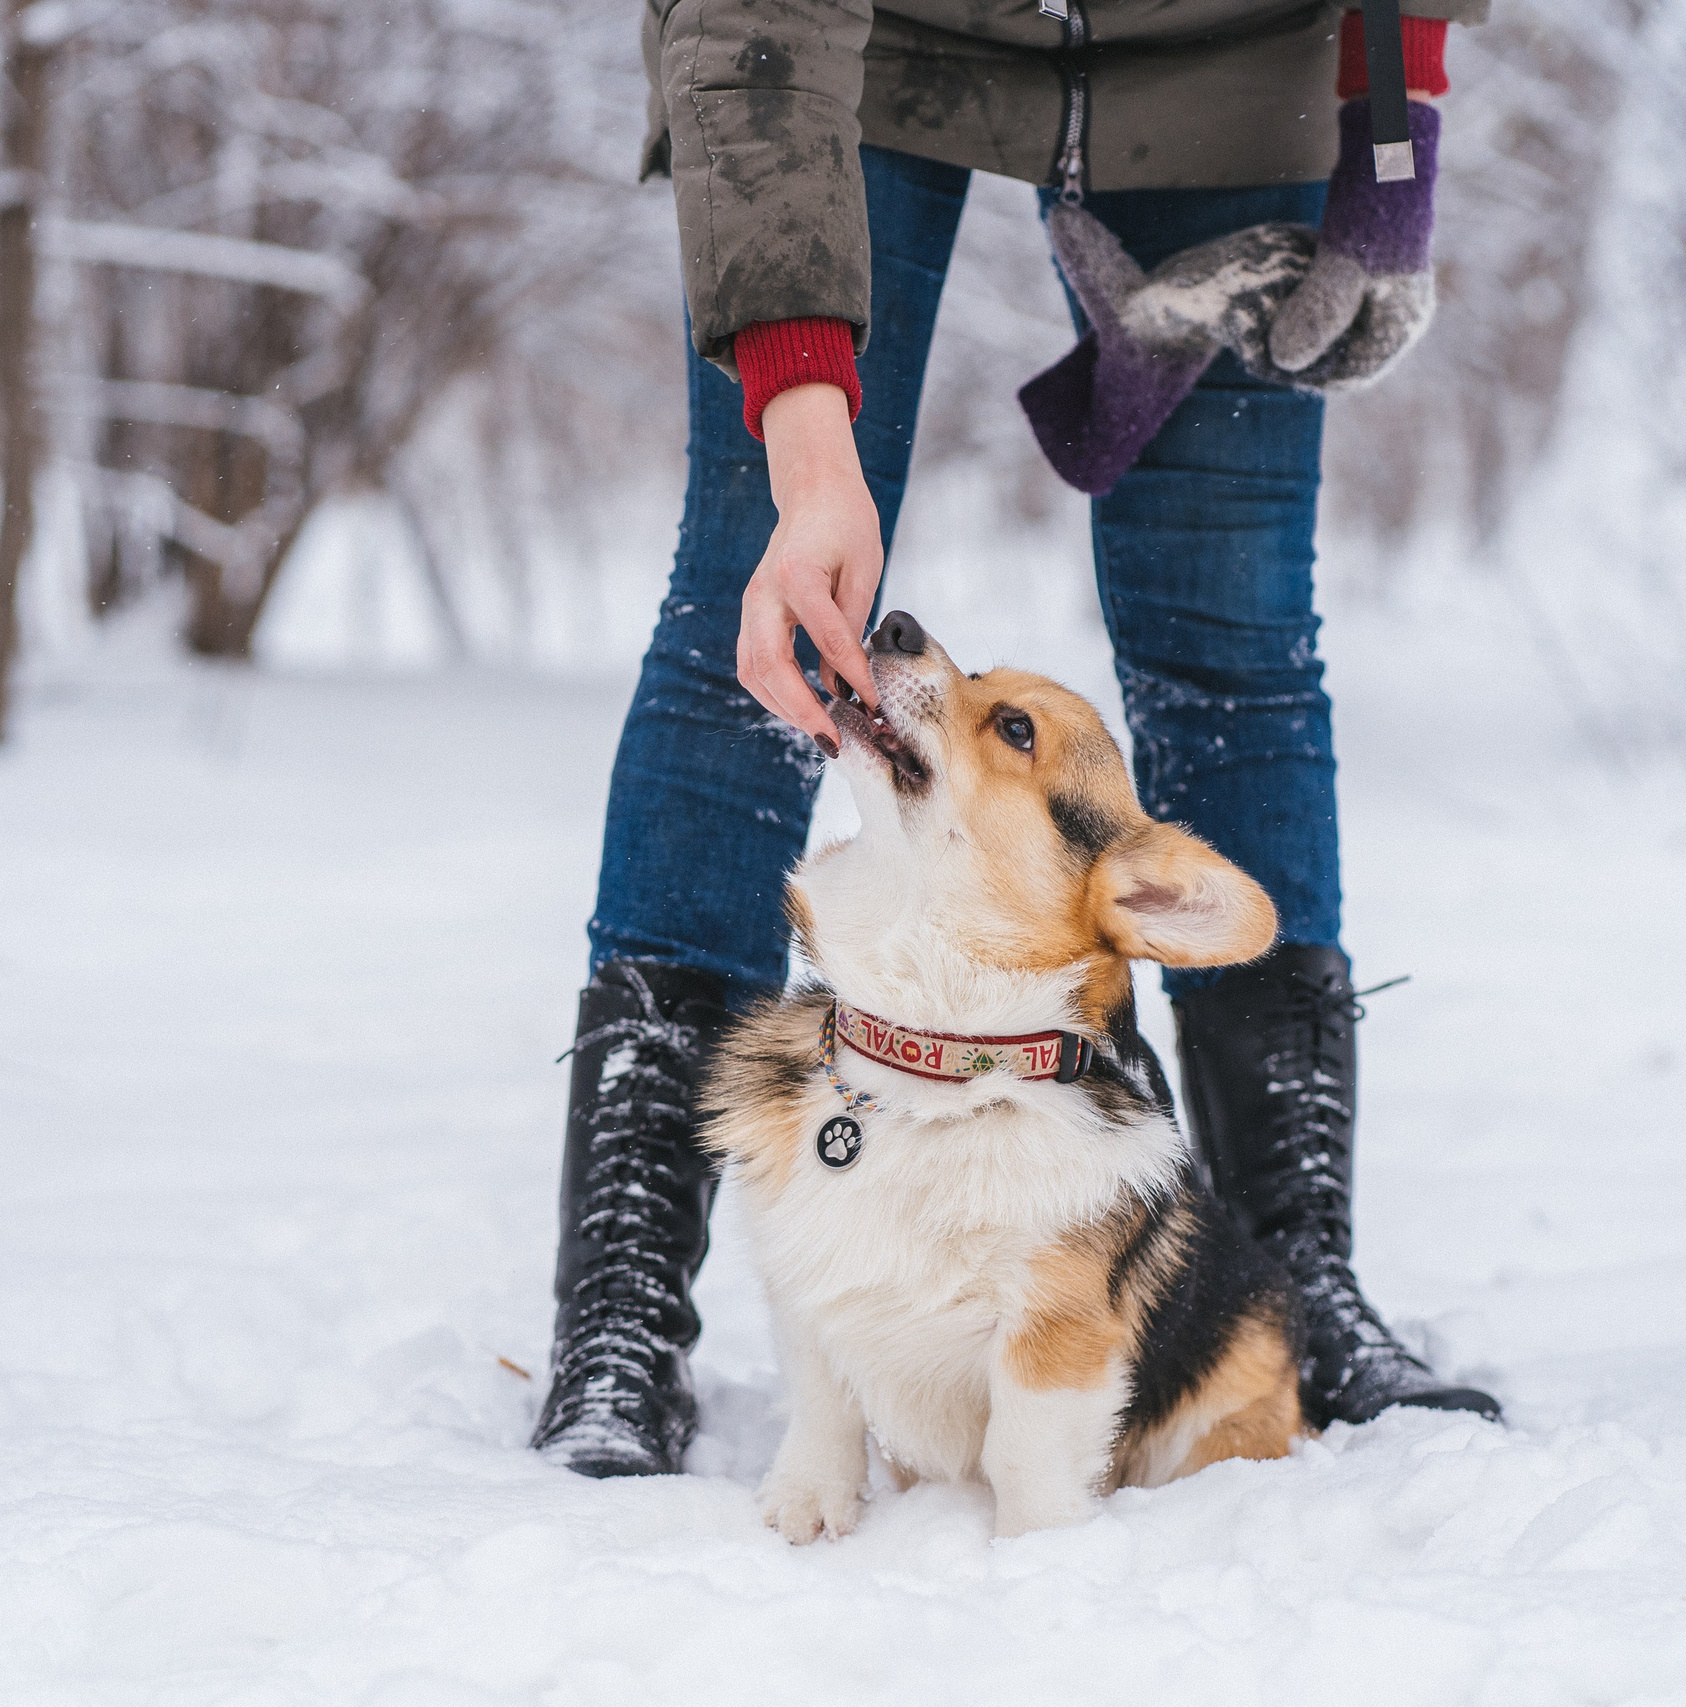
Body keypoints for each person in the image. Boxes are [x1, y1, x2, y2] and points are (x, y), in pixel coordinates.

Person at [534, 0, 1498, 1479]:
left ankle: (1293, 1276)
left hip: (1230, 49)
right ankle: (619, 1311)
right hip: (873, 47)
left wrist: (1394, 122)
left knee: (1234, 643)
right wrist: (807, 441)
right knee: (761, 621)